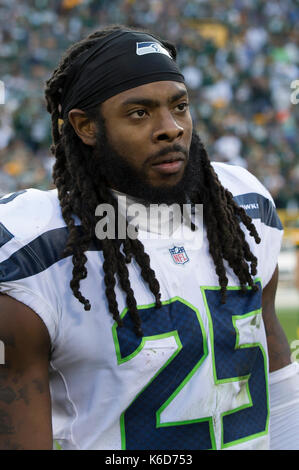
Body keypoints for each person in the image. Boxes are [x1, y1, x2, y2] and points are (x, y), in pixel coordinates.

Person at [0, 24, 298, 451]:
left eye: (180, 106)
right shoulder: (37, 252)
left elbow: (275, 370)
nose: (171, 128)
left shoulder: (243, 207)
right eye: (139, 112)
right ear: (85, 126)